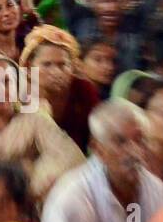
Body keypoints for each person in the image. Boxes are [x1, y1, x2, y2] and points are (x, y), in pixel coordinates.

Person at [0, 55, 84, 199]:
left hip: (26, 200)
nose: (0, 89)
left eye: (7, 81)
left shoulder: (35, 116)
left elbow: (69, 155)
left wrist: (32, 178)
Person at [18, 24, 101, 152]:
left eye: (63, 65)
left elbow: (98, 137)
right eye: (47, 64)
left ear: (72, 66)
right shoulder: (18, 95)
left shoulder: (84, 90)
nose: (56, 72)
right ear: (29, 68)